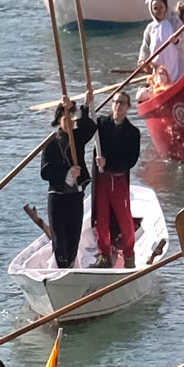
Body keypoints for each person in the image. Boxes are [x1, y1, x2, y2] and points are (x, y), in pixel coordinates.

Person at [88, 91, 146, 268]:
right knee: (101, 217)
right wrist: (87, 104)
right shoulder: (101, 124)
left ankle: (129, 255)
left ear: (128, 107)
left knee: (124, 217)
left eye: (122, 103)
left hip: (119, 180)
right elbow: (84, 127)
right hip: (102, 179)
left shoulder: (133, 132)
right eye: (115, 102)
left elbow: (130, 160)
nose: (118, 106)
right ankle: (104, 254)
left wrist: (108, 162)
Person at [35, 101, 88, 271]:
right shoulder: (51, 143)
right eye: (66, 118)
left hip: (76, 195)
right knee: (60, 239)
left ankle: (71, 264)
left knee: (74, 237)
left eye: (72, 119)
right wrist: (67, 173)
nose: (70, 123)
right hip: (57, 195)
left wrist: (86, 106)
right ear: (59, 119)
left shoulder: (78, 138)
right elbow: (45, 172)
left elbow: (90, 127)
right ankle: (60, 266)